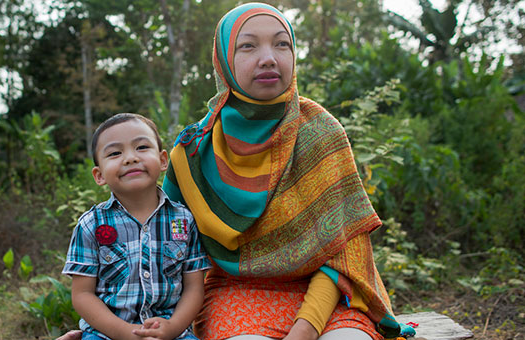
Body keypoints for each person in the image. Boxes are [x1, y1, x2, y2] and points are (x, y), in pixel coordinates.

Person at [144, 3, 404, 340]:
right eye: (248, 45)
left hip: (328, 297)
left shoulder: (322, 133)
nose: (269, 57)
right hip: (235, 294)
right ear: (224, 59)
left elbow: (345, 252)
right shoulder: (194, 151)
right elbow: (162, 244)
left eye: (282, 44)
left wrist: (306, 328)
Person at [63, 113, 212, 340]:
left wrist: (172, 328)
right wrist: (127, 334)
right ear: (99, 175)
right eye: (115, 153)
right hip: (107, 334)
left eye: (142, 147)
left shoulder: (183, 220)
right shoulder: (90, 225)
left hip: (171, 332)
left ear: (163, 160)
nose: (130, 158)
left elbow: (193, 287)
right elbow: (82, 295)